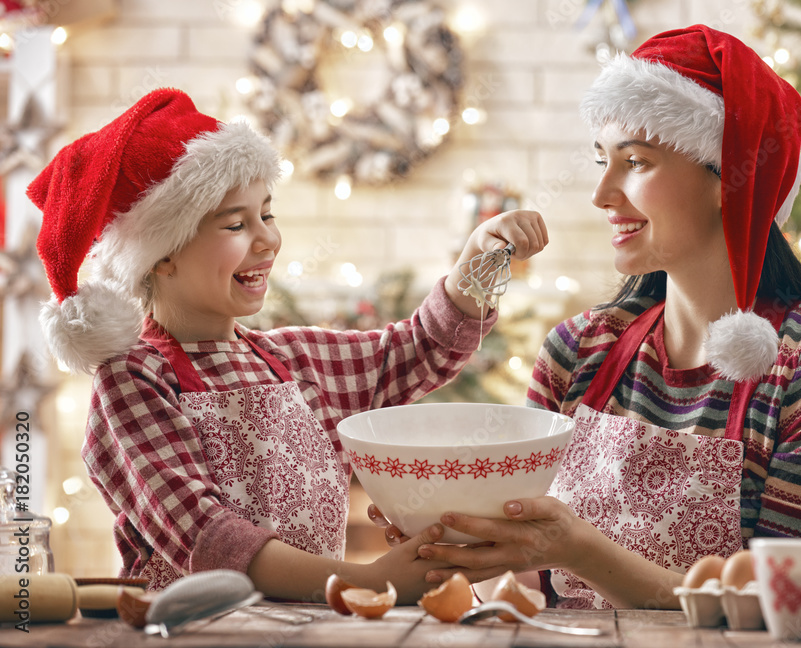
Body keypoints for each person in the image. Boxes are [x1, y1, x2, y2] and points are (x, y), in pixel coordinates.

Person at [375, 25, 801, 609]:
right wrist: (448, 534)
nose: (601, 193)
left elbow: (800, 609)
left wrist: (579, 551)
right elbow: (516, 583)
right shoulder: (578, 351)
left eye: (636, 162)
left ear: (731, 180)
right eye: (603, 160)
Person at [27, 88, 548, 602]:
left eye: (267, 215)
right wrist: (367, 581)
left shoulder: (298, 361)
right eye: (236, 223)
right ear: (161, 255)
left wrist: (479, 256)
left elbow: (417, 349)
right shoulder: (135, 379)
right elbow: (209, 539)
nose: (268, 239)